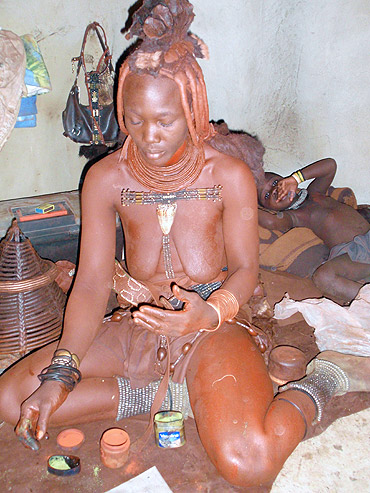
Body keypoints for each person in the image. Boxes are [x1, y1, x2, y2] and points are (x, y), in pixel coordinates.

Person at [0, 1, 369, 488]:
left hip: (212, 325)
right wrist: (61, 373)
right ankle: (158, 396)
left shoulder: (228, 176)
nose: (148, 136)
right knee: (13, 398)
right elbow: (90, 282)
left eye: (165, 120)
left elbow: (245, 271)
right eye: (134, 119)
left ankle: (322, 383)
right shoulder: (106, 178)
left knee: (251, 465)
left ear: (193, 110)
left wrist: (208, 313)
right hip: (140, 324)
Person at [258, 158, 370, 305]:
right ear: (270, 209)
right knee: (323, 278)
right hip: (353, 256)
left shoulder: (315, 192)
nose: (275, 190)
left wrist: (295, 178)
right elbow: (270, 221)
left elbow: (330, 165)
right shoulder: (296, 216)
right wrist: (241, 201)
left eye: (275, 183)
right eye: (266, 196)